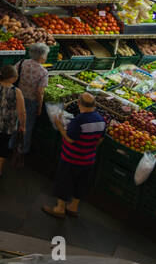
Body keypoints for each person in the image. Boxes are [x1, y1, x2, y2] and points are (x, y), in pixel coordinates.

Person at [43, 91, 107, 219]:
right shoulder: (101, 120)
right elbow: (100, 139)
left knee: (64, 182)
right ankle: (73, 207)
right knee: (81, 184)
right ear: (94, 105)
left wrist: (59, 126)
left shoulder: (79, 120)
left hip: (72, 158)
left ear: (79, 104)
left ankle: (60, 208)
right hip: (89, 160)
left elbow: (70, 139)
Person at [10, 42, 49, 163]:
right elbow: (40, 92)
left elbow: (12, 78)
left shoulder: (21, 63)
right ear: (42, 57)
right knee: (27, 126)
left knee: (14, 122)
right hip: (31, 102)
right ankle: (23, 150)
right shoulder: (43, 72)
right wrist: (39, 107)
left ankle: (9, 145)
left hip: (17, 97)